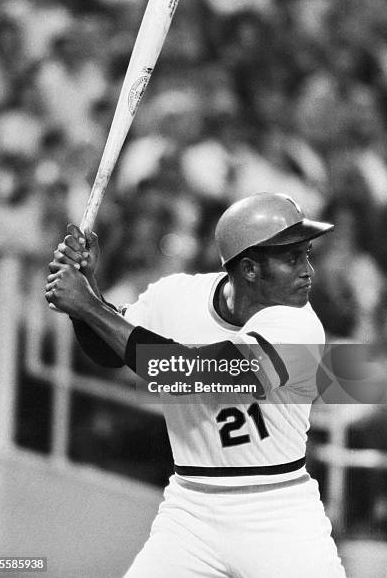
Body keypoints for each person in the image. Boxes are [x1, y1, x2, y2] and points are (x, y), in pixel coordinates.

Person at [45, 192, 346, 577]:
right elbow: (111, 352)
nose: (308, 271)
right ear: (250, 268)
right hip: (191, 508)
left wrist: (88, 305)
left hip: (276, 512)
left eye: (306, 255)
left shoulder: (300, 326)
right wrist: (87, 296)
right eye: (292, 258)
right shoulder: (176, 295)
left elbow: (193, 375)